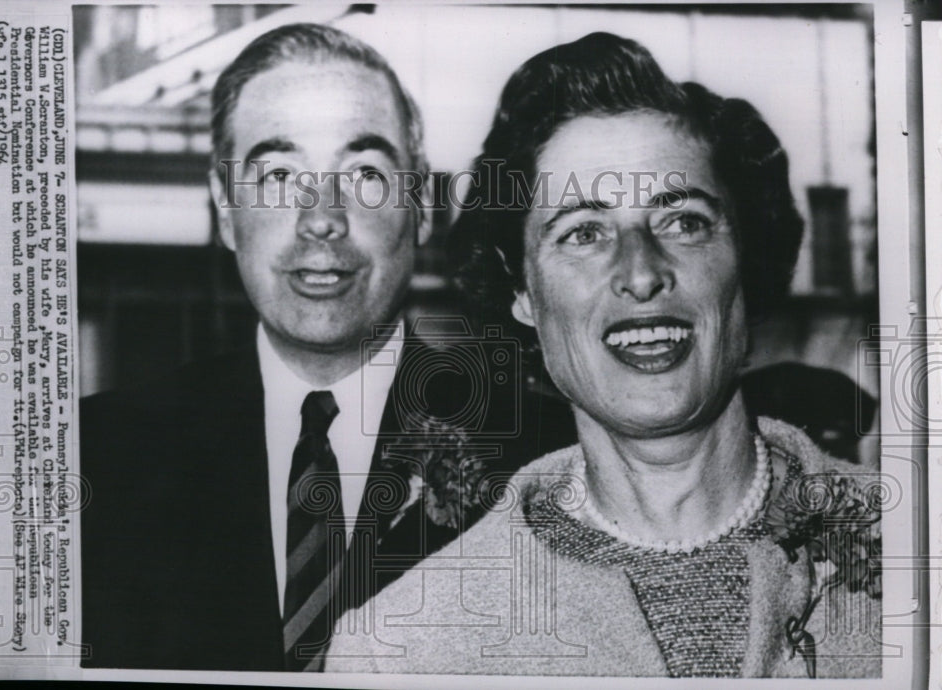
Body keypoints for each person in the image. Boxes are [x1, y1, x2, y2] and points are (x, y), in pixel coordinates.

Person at [326, 32, 882, 678]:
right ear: (523, 294)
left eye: (683, 220)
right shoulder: (400, 649)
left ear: (744, 258)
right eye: (584, 233)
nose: (641, 274)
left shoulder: (918, 544)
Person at [79, 23, 573, 672]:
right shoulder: (100, 458)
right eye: (281, 175)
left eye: (363, 173)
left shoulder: (545, 459)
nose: (321, 218)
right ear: (226, 207)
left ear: (419, 201)